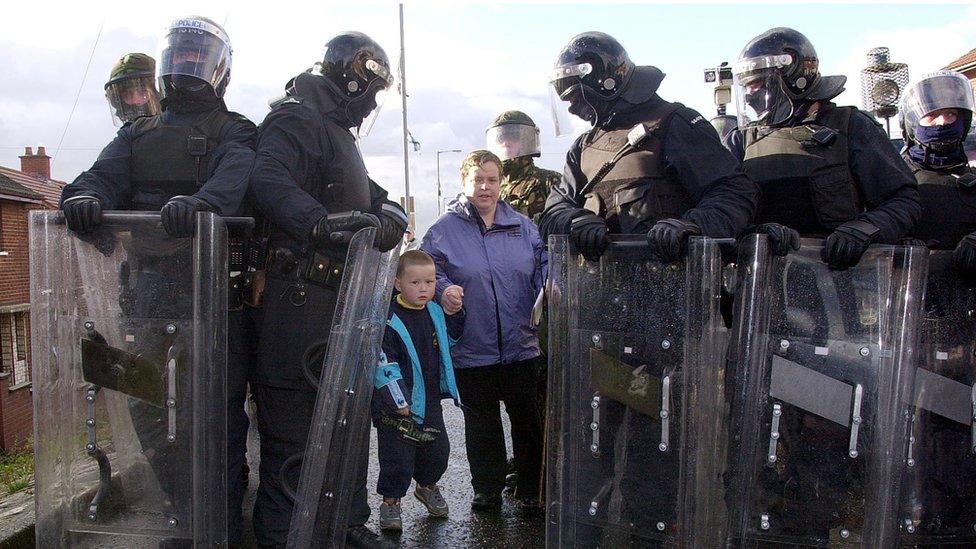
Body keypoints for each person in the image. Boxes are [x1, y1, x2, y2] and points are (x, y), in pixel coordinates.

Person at [60, 16, 257, 546]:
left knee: (215, 422)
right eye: (182, 57)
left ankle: (221, 527)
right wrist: (82, 200)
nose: (188, 67)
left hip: (213, 298)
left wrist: (201, 206)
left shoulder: (236, 130)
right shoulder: (136, 134)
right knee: (149, 415)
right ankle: (190, 513)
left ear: (218, 70)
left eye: (199, 58)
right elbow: (96, 178)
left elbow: (233, 181)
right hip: (146, 296)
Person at [247, 31, 407, 549]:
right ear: (353, 79)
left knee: (343, 425)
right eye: (372, 91)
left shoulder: (333, 130)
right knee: (293, 441)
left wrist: (389, 213)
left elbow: (372, 195)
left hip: (331, 304)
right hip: (298, 301)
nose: (372, 104)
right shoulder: (296, 117)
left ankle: (343, 527)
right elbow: (267, 181)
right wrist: (318, 223)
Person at [539, 31, 759, 264]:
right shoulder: (583, 147)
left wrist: (694, 225)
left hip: (669, 286)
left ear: (605, 84)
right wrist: (573, 220)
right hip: (600, 291)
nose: (573, 110)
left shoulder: (674, 124)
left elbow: (733, 192)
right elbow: (553, 211)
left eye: (577, 98)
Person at [727, 27, 921, 267]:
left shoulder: (851, 127)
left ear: (793, 77)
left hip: (837, 279)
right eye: (745, 86)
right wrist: (753, 233)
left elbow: (904, 201)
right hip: (763, 282)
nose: (748, 95)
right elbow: (723, 207)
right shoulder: (740, 141)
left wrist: (864, 229)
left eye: (756, 84)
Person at [421, 150, 545, 513]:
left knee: (527, 420)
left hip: (521, 344)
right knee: (482, 423)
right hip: (472, 346)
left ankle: (529, 491)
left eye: (492, 180)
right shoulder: (443, 230)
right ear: (465, 183)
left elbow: (545, 264)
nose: (485, 187)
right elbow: (428, 268)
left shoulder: (523, 226)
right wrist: (443, 289)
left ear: (501, 182)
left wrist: (550, 285)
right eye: (477, 180)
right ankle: (487, 489)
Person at [371, 250, 464, 531]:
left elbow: (451, 340)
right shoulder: (388, 320)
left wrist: (456, 314)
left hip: (430, 399)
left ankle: (427, 486)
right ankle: (390, 503)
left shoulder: (435, 312)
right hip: (396, 407)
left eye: (430, 282)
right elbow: (382, 362)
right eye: (415, 283)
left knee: (437, 450)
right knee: (397, 457)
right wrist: (398, 399)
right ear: (398, 284)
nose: (424, 289)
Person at [486, 110, 561, 223]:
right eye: (501, 138)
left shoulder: (548, 180)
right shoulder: (491, 186)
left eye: (513, 136)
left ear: (526, 141)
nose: (506, 143)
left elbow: (562, 220)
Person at [104, 52, 161, 126]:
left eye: (142, 91)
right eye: (128, 94)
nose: (135, 100)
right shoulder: (127, 136)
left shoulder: (178, 128)